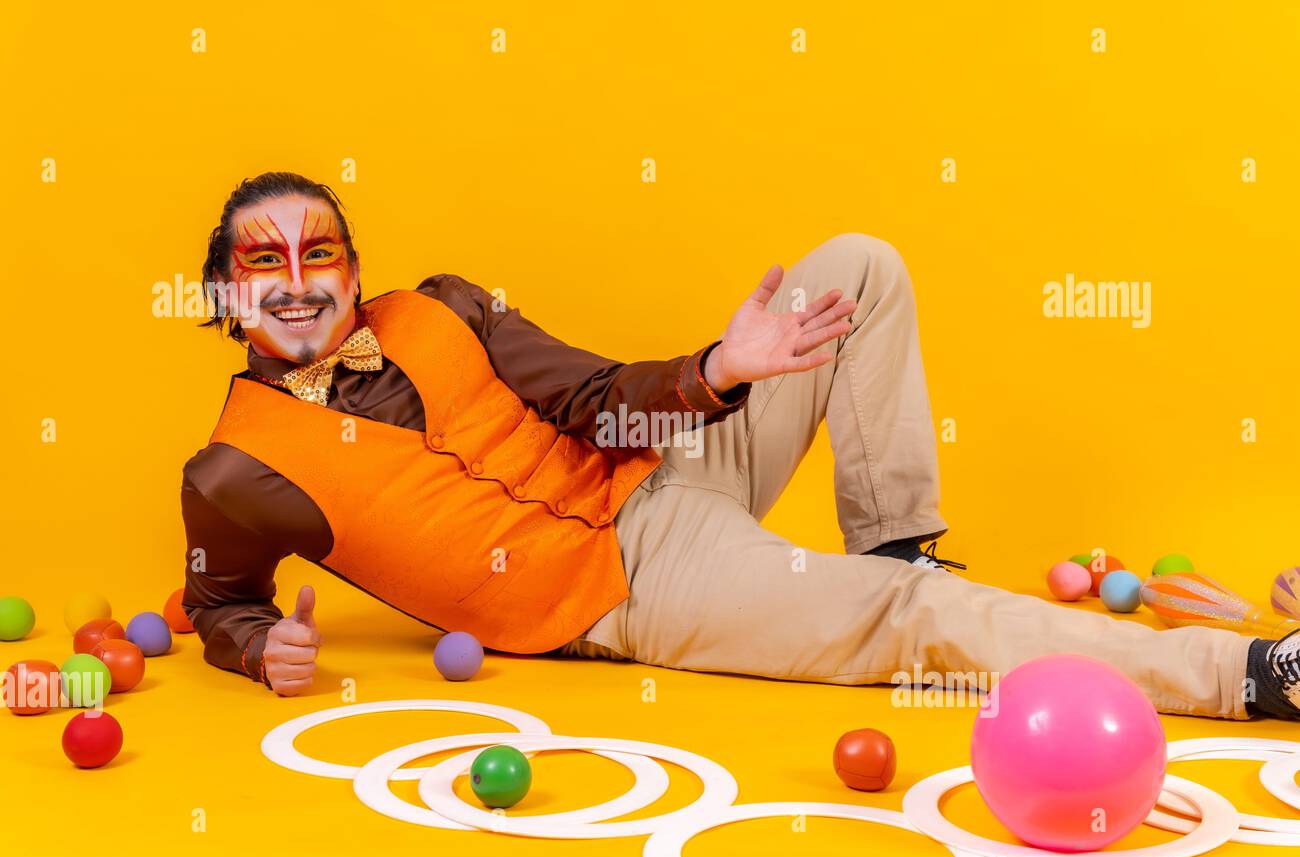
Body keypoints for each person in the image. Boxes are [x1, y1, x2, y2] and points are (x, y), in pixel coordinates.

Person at [182, 171, 1300, 721]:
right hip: (621, 590)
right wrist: (252, 647)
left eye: (317, 252)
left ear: (349, 266)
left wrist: (726, 365)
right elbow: (219, 597)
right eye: (263, 262)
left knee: (857, 266)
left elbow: (592, 396)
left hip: (657, 472)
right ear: (228, 295)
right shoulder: (233, 471)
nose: (296, 279)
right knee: (908, 630)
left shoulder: (442, 305)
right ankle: (1249, 676)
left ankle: (895, 544)